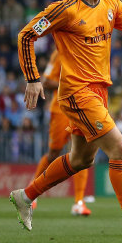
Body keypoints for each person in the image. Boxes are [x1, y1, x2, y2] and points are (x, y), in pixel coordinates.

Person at [9, 0, 122, 243]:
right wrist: (32, 78)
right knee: (119, 148)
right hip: (77, 93)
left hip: (99, 91)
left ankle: (25, 196)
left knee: (80, 160)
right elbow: (26, 35)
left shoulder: (112, 5)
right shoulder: (65, 10)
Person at [31, 48, 92, 216]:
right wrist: (70, 83)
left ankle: (79, 202)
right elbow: (47, 82)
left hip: (81, 107)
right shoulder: (58, 54)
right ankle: (32, 194)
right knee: (53, 152)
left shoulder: (85, 50)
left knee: (80, 154)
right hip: (60, 110)